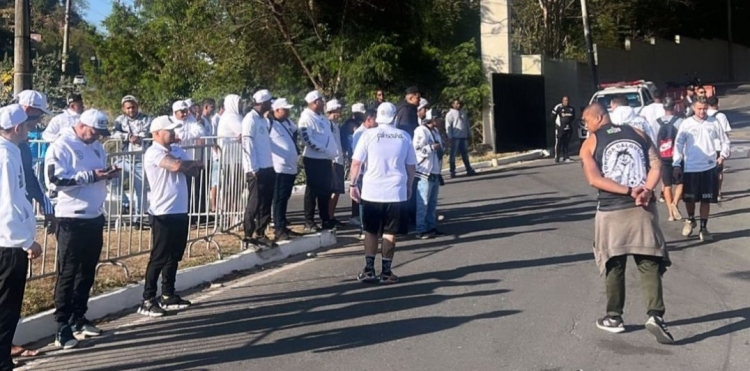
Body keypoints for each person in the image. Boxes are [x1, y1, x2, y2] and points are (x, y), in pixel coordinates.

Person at [579, 102, 674, 344]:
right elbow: (657, 165)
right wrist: (645, 190)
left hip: (611, 211)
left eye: (587, 122)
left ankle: (614, 318)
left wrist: (628, 190)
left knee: (614, 263)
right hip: (642, 208)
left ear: (599, 118)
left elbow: (594, 179)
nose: (587, 126)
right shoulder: (639, 134)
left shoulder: (590, 143)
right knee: (648, 261)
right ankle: (655, 316)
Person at [45, 109, 117, 350]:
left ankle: (79, 317)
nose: (97, 137)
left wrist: (108, 174)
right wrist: (90, 176)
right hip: (71, 218)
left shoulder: (97, 147)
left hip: (94, 215)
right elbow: (54, 178)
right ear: (83, 125)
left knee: (87, 271)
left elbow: (97, 174)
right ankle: (61, 326)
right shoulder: (62, 145)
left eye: (100, 133)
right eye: (95, 132)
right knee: (68, 272)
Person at [138, 116, 203, 317]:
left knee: (174, 255)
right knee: (159, 256)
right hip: (162, 211)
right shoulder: (153, 152)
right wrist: (183, 164)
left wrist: (183, 163)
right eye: (169, 131)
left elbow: (197, 167)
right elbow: (175, 166)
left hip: (179, 209)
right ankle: (148, 298)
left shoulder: (176, 150)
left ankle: (168, 293)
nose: (174, 134)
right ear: (157, 133)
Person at [349, 102, 416, 284]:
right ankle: (386, 272)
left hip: (372, 191)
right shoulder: (404, 136)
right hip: (396, 190)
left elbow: (356, 163)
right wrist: (409, 186)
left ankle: (369, 270)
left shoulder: (368, 135)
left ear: (378, 117)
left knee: (371, 231)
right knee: (389, 232)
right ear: (395, 117)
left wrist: (353, 185)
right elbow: (411, 167)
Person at [0, 105, 43, 371]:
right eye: (26, 126)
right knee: (6, 307)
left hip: (9, 241)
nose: (29, 130)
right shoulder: (5, 157)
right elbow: (8, 205)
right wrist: (26, 240)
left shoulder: (10, 153)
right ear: (17, 128)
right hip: (8, 244)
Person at [673, 97, 730, 241]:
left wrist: (722, 156)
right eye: (699, 108)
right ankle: (691, 219)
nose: (702, 111)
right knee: (690, 199)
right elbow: (678, 144)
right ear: (693, 108)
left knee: (706, 199)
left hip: (709, 167)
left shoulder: (714, 122)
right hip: (691, 167)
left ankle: (704, 228)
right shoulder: (686, 124)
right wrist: (676, 164)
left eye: (704, 108)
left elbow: (725, 141)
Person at [242, 89, 276, 247]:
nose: (271, 105)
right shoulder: (250, 119)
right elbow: (247, 144)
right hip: (256, 169)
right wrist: (253, 167)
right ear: (262, 103)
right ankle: (248, 234)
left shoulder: (263, 119)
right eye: (269, 102)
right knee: (254, 202)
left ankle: (261, 232)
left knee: (266, 202)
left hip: (267, 166)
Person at [299, 90, 337, 232]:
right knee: (312, 191)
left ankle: (325, 219)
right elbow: (306, 138)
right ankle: (309, 221)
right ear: (315, 102)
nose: (323, 103)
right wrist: (323, 149)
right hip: (314, 159)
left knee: (325, 191)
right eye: (321, 100)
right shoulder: (306, 118)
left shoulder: (321, 117)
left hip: (325, 159)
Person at [112, 95, 151, 227]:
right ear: (123, 109)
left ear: (137, 106)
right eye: (128, 108)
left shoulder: (146, 118)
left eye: (133, 107)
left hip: (140, 159)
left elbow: (148, 134)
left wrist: (138, 138)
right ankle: (125, 203)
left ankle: (138, 218)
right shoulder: (119, 120)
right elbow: (113, 133)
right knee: (112, 180)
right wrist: (128, 136)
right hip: (124, 157)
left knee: (140, 189)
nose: (131, 110)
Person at [268, 98, 301, 242]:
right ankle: (279, 228)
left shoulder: (286, 123)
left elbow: (295, 131)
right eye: (284, 109)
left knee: (285, 198)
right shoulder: (270, 124)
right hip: (279, 167)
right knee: (279, 199)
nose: (288, 112)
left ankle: (283, 224)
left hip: (289, 167)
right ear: (276, 110)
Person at [413, 117, 445, 239]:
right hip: (425, 172)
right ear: (432, 119)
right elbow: (416, 149)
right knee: (423, 203)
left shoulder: (435, 131)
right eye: (438, 118)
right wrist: (431, 148)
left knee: (432, 203)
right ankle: (420, 229)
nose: (440, 121)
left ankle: (431, 227)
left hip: (435, 171)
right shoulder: (420, 131)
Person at [350, 109, 378, 238]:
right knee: (363, 202)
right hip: (362, 173)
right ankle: (363, 229)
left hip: (372, 172)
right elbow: (358, 157)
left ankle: (373, 228)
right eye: (375, 119)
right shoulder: (360, 134)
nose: (377, 122)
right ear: (369, 119)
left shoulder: (371, 132)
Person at [654, 98, 684, 221]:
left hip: (663, 156)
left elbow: (652, 139)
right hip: (677, 156)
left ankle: (671, 214)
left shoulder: (656, 123)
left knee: (667, 185)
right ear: (674, 107)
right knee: (681, 183)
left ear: (663, 108)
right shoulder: (680, 121)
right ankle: (675, 202)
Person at [706, 96, 732, 201]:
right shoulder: (721, 116)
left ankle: (708, 191)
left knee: (707, 170)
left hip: (707, 147)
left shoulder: (703, 114)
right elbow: (726, 132)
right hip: (718, 147)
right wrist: (727, 148)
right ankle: (718, 193)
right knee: (719, 171)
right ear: (717, 104)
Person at [326, 99, 346, 226]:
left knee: (337, 190)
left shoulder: (336, 125)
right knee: (333, 190)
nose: (340, 113)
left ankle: (331, 216)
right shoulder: (328, 124)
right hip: (333, 160)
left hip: (339, 160)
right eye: (338, 110)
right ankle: (329, 216)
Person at [446, 99, 476, 178]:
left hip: (463, 137)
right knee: (453, 155)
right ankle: (452, 171)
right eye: (457, 104)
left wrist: (469, 134)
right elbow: (448, 127)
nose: (458, 105)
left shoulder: (463, 113)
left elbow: (467, 124)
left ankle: (468, 169)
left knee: (465, 154)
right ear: (452, 104)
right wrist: (450, 137)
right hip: (455, 137)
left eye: (459, 103)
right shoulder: (450, 114)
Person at [551, 96, 576, 163]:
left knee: (566, 143)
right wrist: (558, 124)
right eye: (565, 100)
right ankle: (557, 157)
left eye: (567, 100)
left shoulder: (571, 108)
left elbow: (573, 117)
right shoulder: (558, 107)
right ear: (562, 101)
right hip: (560, 128)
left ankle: (566, 157)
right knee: (558, 142)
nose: (566, 102)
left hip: (568, 128)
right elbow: (552, 116)